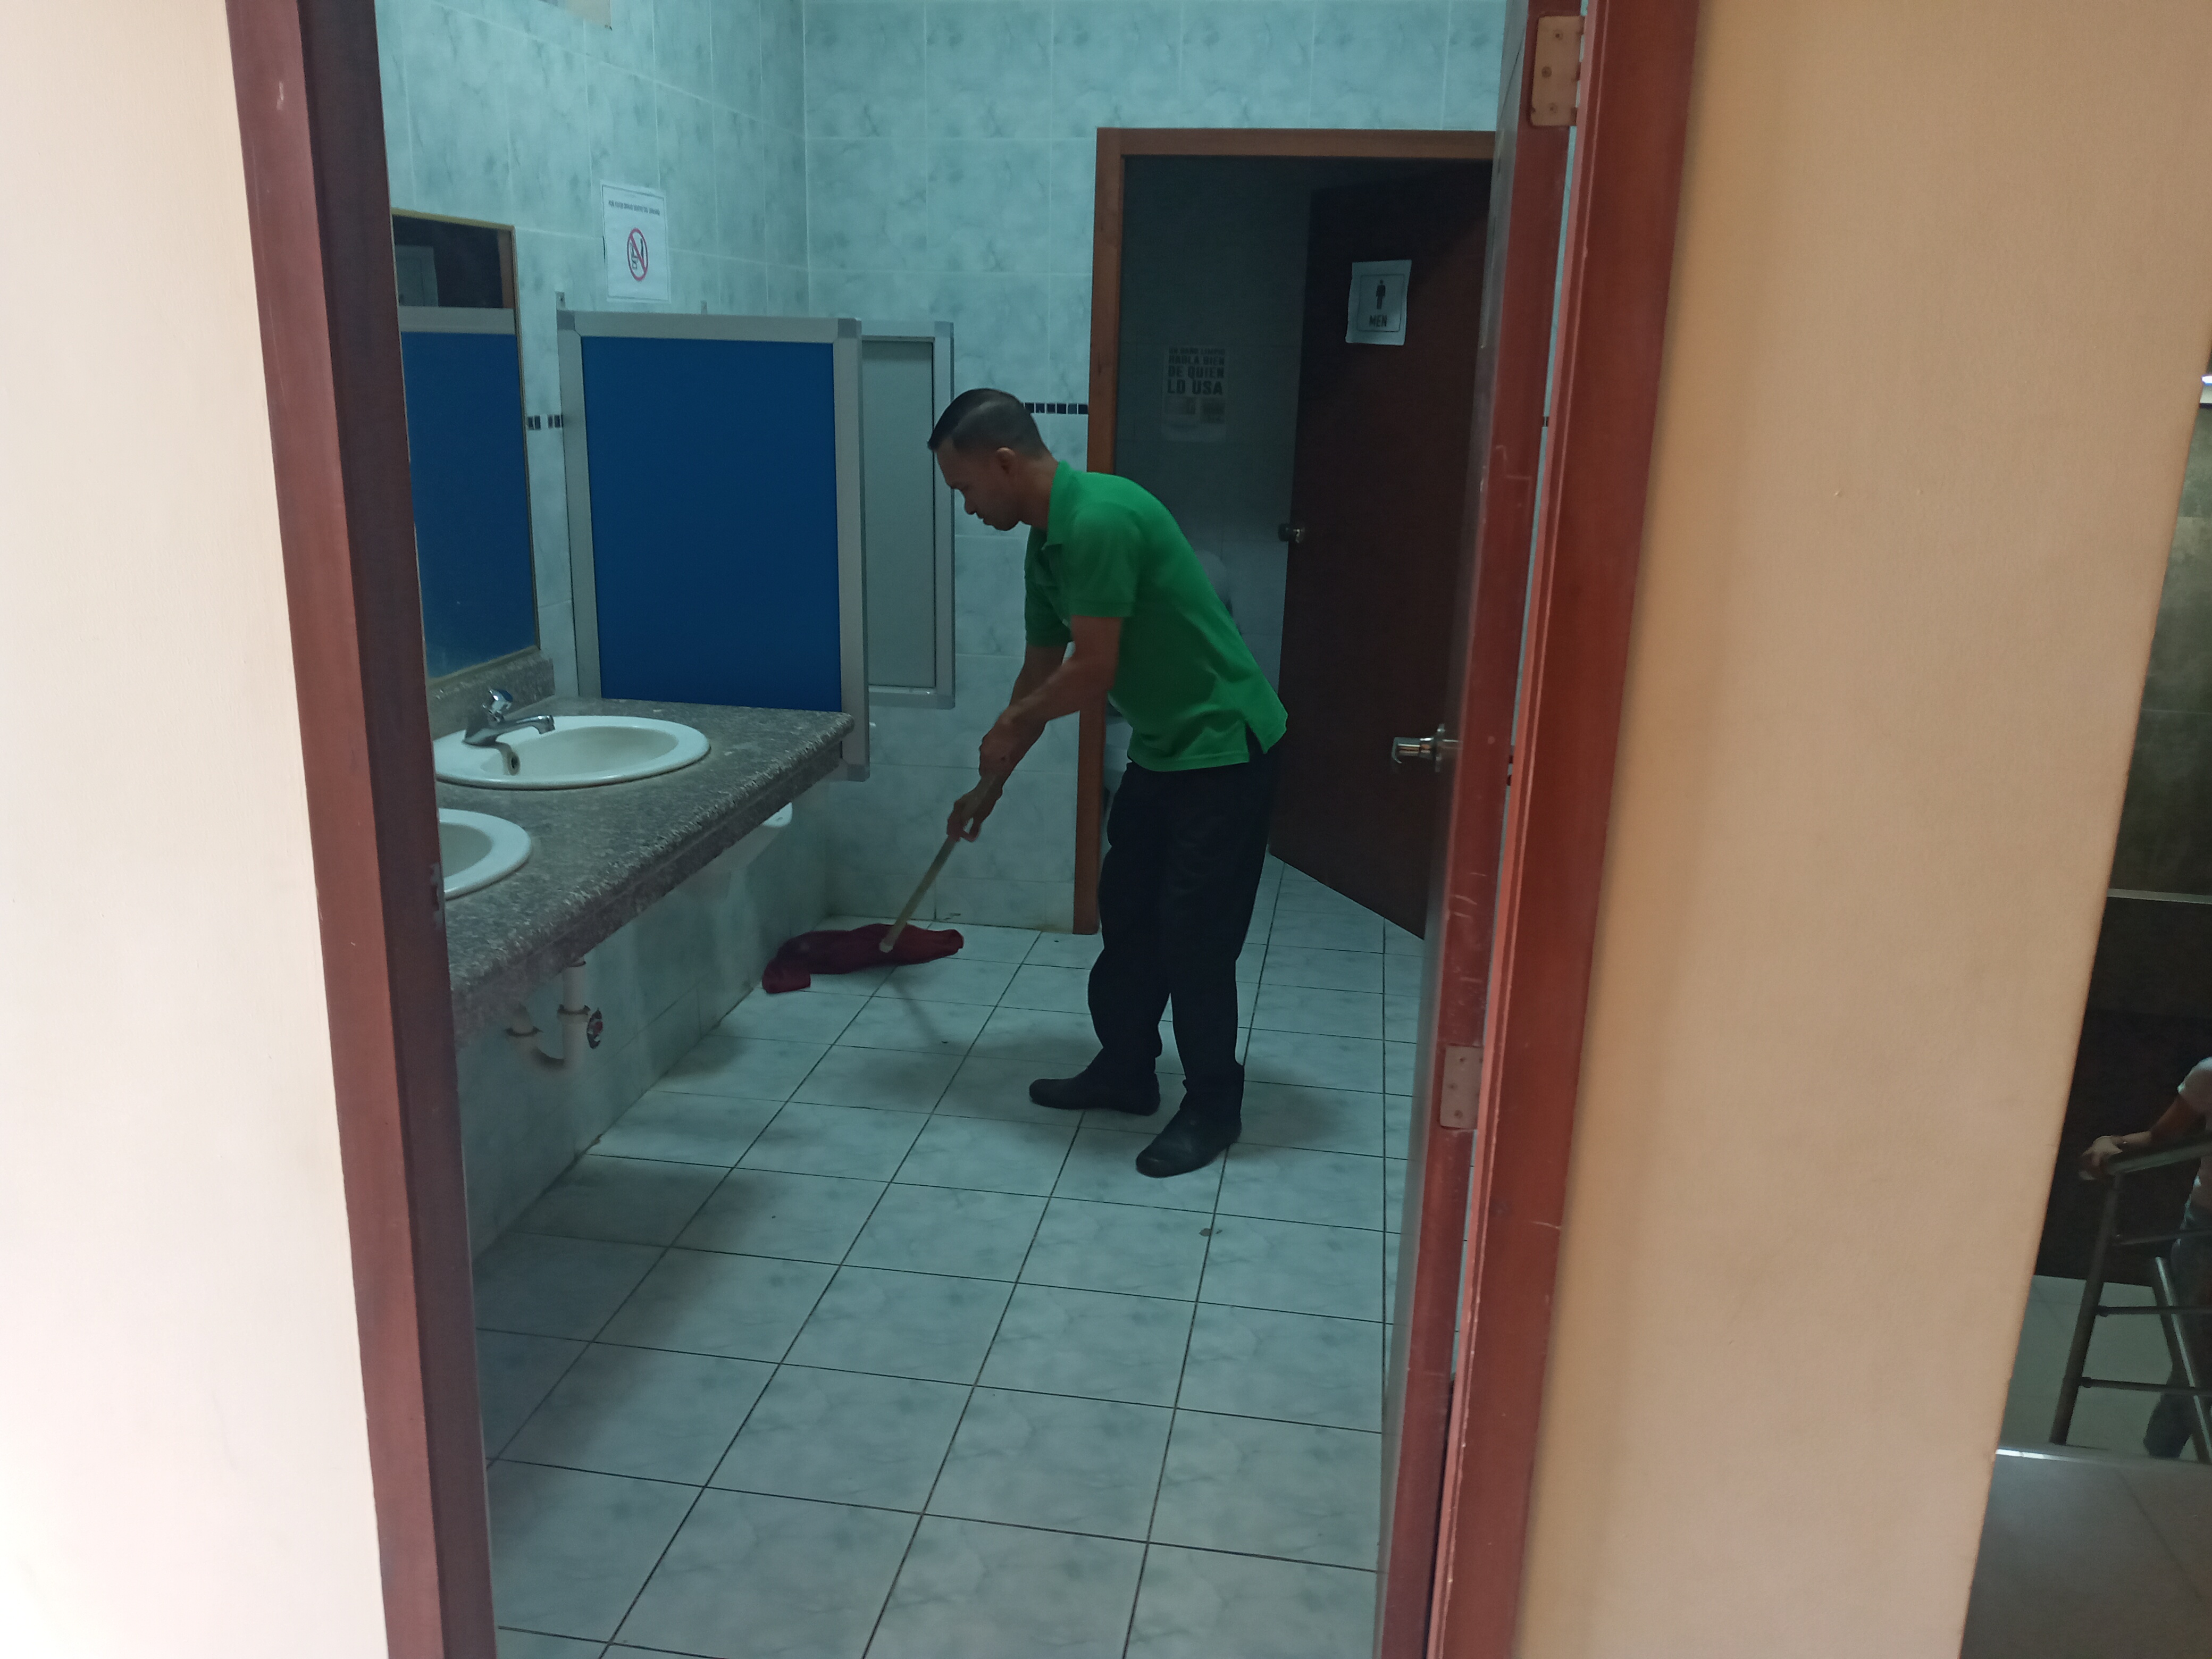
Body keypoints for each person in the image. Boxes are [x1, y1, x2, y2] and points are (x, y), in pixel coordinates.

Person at [928, 389, 1287, 1178]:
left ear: (1004, 462)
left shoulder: (1100, 519)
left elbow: (1094, 669)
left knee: (1194, 936)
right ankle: (1126, 1071)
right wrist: (989, 785)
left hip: (1225, 747)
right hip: (1165, 747)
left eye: (965, 488)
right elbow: (1039, 673)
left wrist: (1011, 724)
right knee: (1126, 914)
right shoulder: (1045, 544)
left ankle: (1213, 1106)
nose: (967, 507)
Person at [2079, 1059, 2212, 1458]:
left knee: (2199, 1361)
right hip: (2207, 1229)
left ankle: (2163, 1463)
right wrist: (2112, 1143)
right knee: (2200, 1360)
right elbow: (2161, 1137)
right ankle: (2162, 1463)